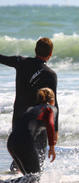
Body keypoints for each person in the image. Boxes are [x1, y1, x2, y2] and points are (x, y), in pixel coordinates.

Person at [0, 37, 59, 172]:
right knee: (39, 156)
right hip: (38, 120)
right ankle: (33, 178)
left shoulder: (21, 62)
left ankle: (14, 174)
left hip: (19, 116)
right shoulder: (50, 75)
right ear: (50, 54)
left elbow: (1, 58)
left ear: (35, 50)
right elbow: (54, 105)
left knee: (20, 151)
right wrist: (55, 130)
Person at [7, 88, 57, 182]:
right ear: (52, 100)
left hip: (11, 141)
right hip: (24, 143)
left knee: (28, 177)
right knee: (35, 178)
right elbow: (50, 125)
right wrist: (52, 147)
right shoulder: (50, 109)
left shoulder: (32, 109)